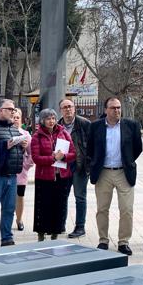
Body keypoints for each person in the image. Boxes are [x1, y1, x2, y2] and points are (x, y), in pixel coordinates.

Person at [87, 97, 142, 255]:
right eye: (113, 108)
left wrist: (127, 161)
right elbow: (90, 148)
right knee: (102, 209)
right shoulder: (96, 126)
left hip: (124, 173)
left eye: (118, 107)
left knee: (126, 209)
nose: (117, 110)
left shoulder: (131, 126)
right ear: (105, 110)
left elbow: (137, 148)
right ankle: (103, 240)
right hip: (103, 172)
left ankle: (123, 242)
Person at [31, 109, 76, 242]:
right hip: (44, 177)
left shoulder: (64, 133)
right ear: (42, 121)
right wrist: (52, 158)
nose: (51, 121)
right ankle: (41, 232)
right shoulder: (37, 136)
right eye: (48, 118)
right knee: (43, 206)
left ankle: (56, 233)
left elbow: (73, 153)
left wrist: (64, 157)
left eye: (53, 118)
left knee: (59, 205)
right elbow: (36, 158)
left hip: (62, 176)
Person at [58, 98, 91, 238]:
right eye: (64, 107)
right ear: (61, 110)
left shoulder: (84, 123)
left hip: (80, 166)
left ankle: (80, 227)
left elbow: (92, 144)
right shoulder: (57, 125)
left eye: (70, 106)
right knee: (62, 196)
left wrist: (88, 162)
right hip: (63, 165)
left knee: (80, 197)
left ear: (74, 108)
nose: (67, 109)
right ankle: (60, 225)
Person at [0, 99, 25, 246]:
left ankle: (7, 238)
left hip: (12, 175)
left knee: (9, 209)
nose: (13, 112)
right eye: (10, 109)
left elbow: (16, 152)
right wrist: (6, 144)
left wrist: (22, 146)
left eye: (14, 110)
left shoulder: (14, 128)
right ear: (1, 110)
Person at [13, 108, 33, 231]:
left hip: (20, 172)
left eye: (17, 117)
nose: (15, 119)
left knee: (20, 196)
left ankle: (19, 219)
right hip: (7, 172)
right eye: (13, 117)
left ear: (21, 119)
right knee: (7, 198)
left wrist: (25, 165)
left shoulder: (26, 135)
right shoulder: (2, 132)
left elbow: (32, 155)